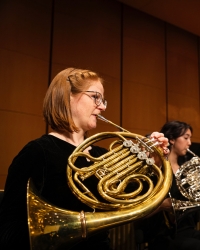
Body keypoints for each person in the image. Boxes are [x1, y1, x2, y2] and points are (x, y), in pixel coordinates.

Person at [0, 67, 169, 250]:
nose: (103, 106)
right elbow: (9, 226)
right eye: (95, 97)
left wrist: (154, 163)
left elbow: (138, 202)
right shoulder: (38, 152)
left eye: (103, 100)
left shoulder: (100, 154)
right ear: (67, 96)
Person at [139, 120, 200, 250]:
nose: (189, 143)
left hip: (187, 229)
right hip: (162, 234)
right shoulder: (156, 169)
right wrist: (162, 205)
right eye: (186, 138)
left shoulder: (187, 171)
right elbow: (141, 211)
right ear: (171, 139)